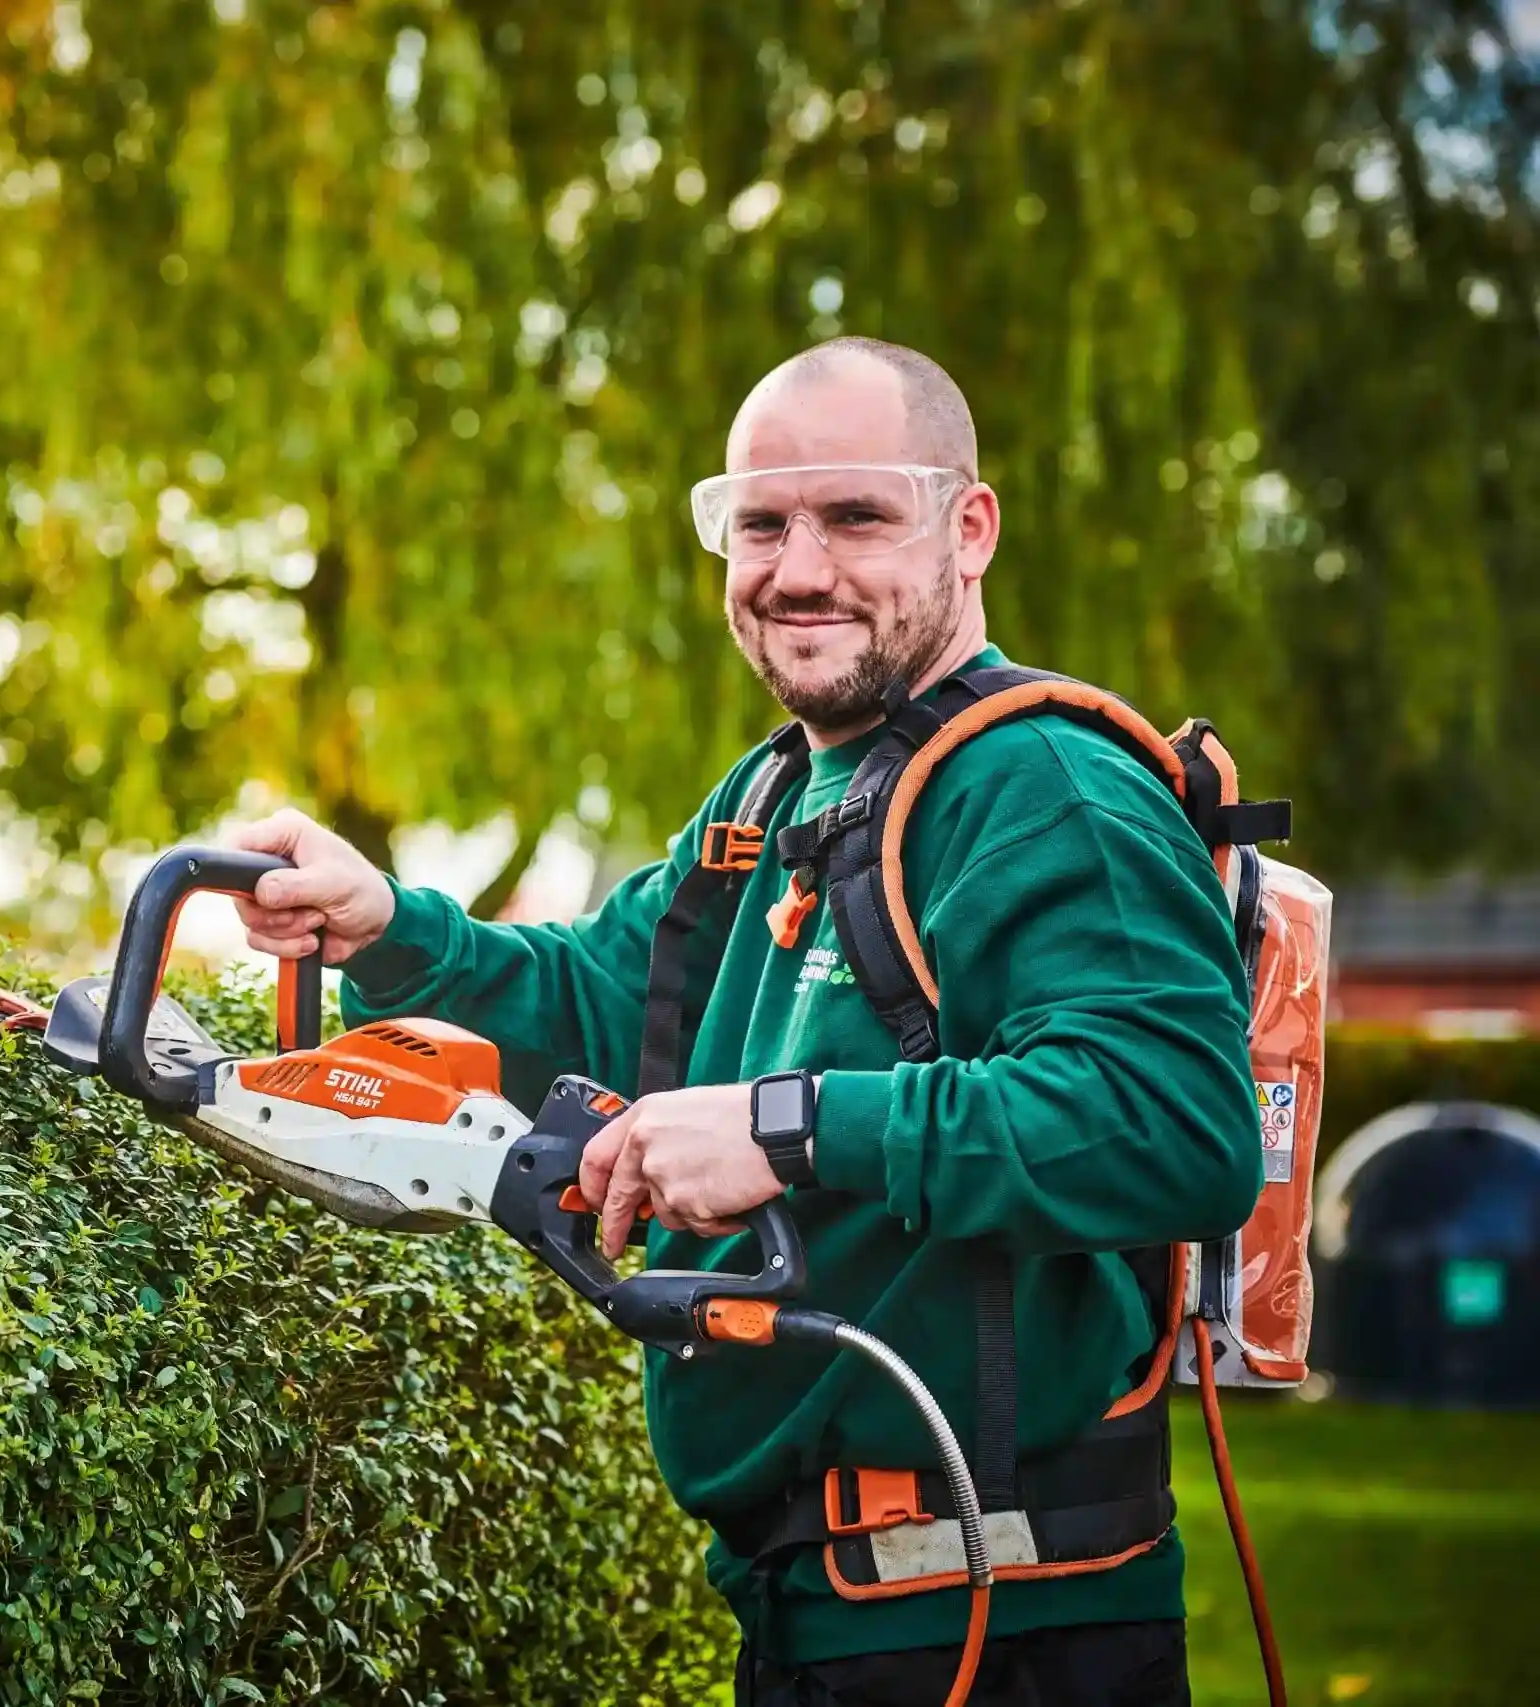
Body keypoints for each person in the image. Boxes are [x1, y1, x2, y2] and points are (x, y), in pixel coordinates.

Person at [224, 336, 1263, 1706]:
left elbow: (1175, 1124)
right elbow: (602, 1003)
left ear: (969, 528)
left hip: (1000, 1629)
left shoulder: (1046, 787)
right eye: (761, 524)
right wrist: (387, 928)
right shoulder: (770, 798)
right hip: (820, 1614)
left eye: (857, 516)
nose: (800, 569)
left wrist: (787, 1130)